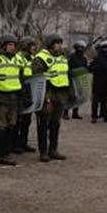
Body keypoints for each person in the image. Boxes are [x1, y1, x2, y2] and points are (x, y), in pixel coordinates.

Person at [32, 34, 69, 162]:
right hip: (46, 93)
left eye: (60, 43)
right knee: (43, 123)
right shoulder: (41, 58)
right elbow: (38, 78)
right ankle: (43, 151)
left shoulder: (63, 57)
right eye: (56, 43)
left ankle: (53, 149)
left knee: (55, 123)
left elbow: (65, 75)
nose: (59, 45)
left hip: (60, 93)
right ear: (50, 44)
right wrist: (44, 97)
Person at [0, 34, 22, 167]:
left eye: (14, 45)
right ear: (3, 45)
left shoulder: (18, 59)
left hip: (14, 97)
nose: (12, 47)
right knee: (0, 128)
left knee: (11, 127)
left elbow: (21, 78)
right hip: (0, 97)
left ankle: (6, 154)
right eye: (10, 45)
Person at [13, 37, 37, 154]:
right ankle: (15, 143)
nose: (33, 48)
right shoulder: (18, 58)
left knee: (27, 120)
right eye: (31, 46)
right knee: (18, 119)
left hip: (29, 91)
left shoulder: (32, 59)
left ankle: (23, 142)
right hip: (20, 90)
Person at [89, 40, 107, 123]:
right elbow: (90, 68)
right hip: (98, 82)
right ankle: (94, 116)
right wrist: (96, 68)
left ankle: (106, 115)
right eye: (104, 48)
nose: (106, 50)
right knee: (96, 100)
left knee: (106, 99)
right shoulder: (97, 58)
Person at [66, 40, 88, 120]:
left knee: (78, 96)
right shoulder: (71, 57)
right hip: (71, 78)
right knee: (70, 96)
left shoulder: (84, 58)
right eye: (79, 48)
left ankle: (75, 112)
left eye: (82, 48)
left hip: (79, 78)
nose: (80, 49)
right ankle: (66, 113)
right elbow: (67, 68)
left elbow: (85, 68)